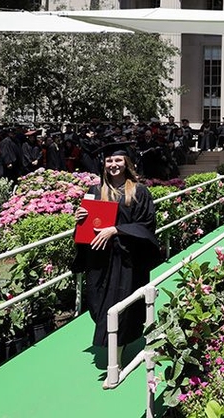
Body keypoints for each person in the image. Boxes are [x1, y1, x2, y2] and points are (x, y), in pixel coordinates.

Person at [71, 145, 162, 353]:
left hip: (127, 259)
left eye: (118, 160)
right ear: (104, 164)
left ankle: (116, 357)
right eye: (109, 161)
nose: (113, 164)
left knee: (120, 308)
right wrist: (80, 218)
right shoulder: (95, 191)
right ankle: (113, 346)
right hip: (99, 259)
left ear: (126, 163)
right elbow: (86, 226)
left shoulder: (139, 191)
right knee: (98, 305)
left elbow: (147, 224)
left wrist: (116, 230)